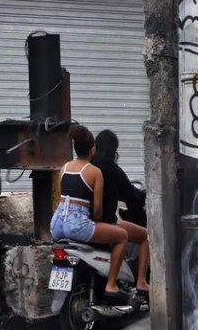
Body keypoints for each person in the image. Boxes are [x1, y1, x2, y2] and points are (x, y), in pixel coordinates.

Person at [50, 124, 129, 301]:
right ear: (92, 149)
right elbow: (98, 209)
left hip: (57, 224)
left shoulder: (64, 168)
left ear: (75, 148)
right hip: (77, 225)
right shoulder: (94, 172)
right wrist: (98, 222)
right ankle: (111, 285)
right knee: (123, 236)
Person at [92, 129, 150, 294]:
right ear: (113, 150)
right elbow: (131, 195)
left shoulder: (87, 166)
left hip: (85, 222)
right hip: (105, 223)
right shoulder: (112, 169)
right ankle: (141, 282)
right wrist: (141, 201)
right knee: (144, 236)